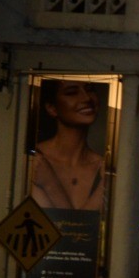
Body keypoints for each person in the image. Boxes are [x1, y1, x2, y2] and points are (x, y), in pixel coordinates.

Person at [29, 79, 107, 211]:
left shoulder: (104, 168)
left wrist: (50, 184)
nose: (87, 98)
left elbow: (80, 228)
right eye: (72, 92)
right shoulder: (33, 161)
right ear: (52, 108)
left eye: (89, 89)